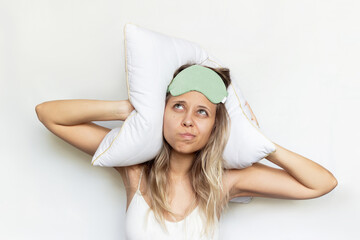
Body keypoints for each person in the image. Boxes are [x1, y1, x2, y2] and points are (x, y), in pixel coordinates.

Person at [35, 63, 337, 240]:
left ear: (214, 126)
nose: (188, 121)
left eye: (203, 112)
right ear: (162, 112)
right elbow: (49, 114)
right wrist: (129, 111)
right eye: (178, 106)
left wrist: (262, 144)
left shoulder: (223, 183)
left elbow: (321, 183)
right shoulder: (135, 170)